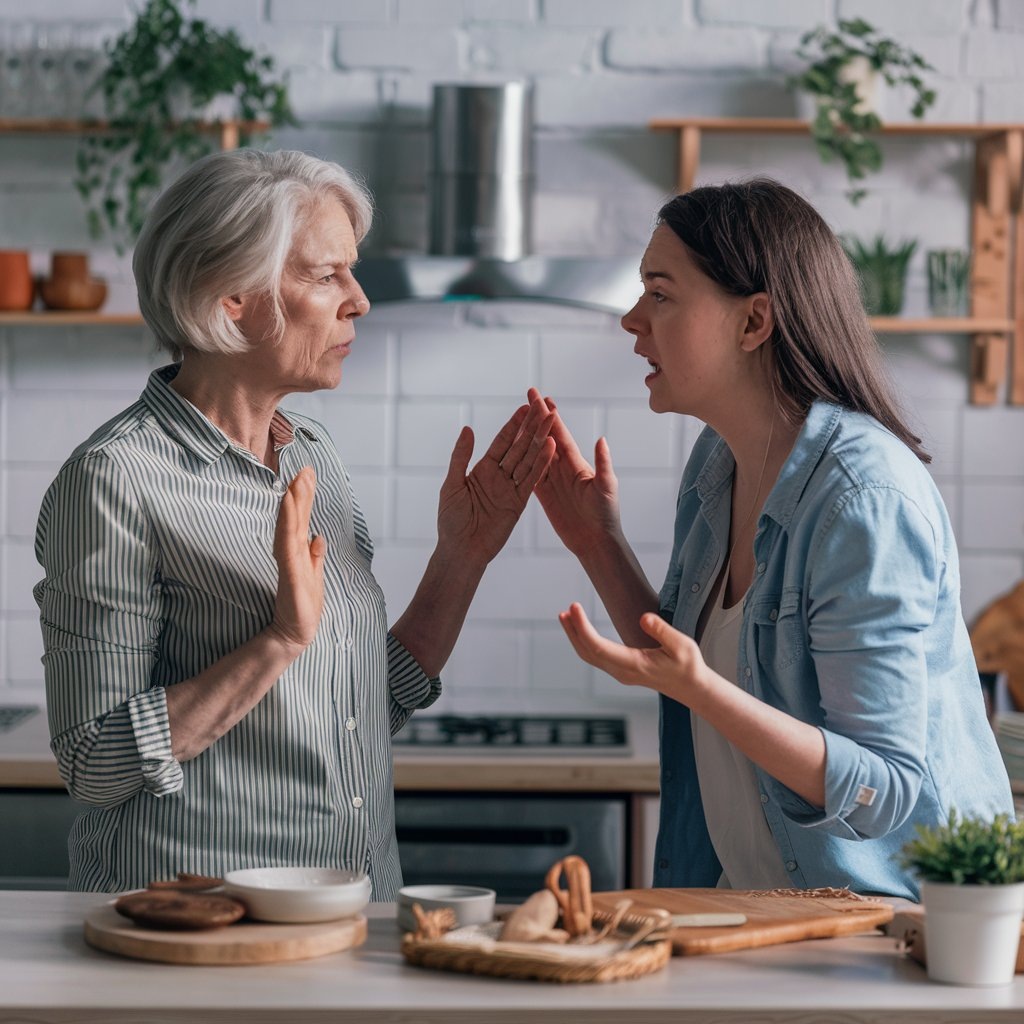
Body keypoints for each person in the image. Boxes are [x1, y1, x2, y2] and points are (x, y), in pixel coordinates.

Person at [34, 148, 555, 897]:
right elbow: (93, 762)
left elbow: (363, 708)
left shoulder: (312, 454)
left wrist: (463, 557)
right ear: (229, 297)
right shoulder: (115, 480)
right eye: (325, 274)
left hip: (347, 921)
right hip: (200, 939)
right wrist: (278, 641)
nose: (360, 300)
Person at [531, 179, 1013, 900]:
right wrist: (596, 539)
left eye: (660, 294)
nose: (632, 320)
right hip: (760, 916)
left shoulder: (863, 500)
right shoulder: (717, 464)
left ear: (754, 321)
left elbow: (886, 788)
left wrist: (703, 690)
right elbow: (682, 663)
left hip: (889, 944)